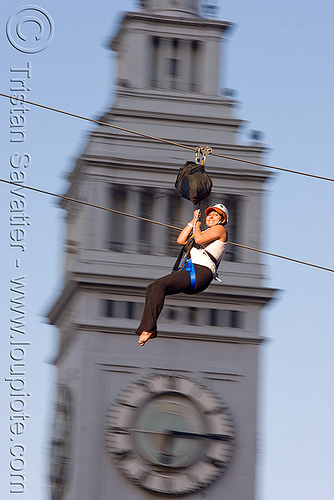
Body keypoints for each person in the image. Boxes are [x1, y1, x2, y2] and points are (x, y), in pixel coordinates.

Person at [136, 203, 229, 346]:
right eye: (209, 214)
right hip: (193, 272)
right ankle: (147, 328)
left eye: (216, 215)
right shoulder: (203, 232)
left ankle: (149, 329)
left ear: (222, 220)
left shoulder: (220, 230)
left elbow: (197, 240)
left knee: (159, 285)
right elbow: (181, 240)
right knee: (152, 287)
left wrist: (197, 225)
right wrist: (192, 222)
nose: (211, 216)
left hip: (201, 273)